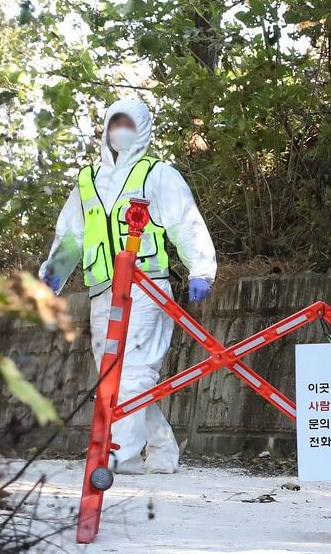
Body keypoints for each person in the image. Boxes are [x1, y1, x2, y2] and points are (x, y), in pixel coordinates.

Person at [39, 98, 217, 474]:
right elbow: (71, 233)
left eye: (128, 123)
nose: (120, 130)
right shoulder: (88, 180)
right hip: (104, 289)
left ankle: (122, 453)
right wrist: (54, 272)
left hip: (147, 287)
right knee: (114, 375)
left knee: (134, 372)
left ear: (143, 129)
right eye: (114, 122)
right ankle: (162, 448)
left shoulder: (157, 174)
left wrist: (201, 268)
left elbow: (185, 222)